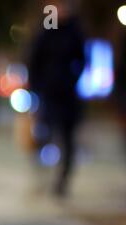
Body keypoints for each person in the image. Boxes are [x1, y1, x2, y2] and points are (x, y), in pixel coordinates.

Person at [29, 0, 85, 198]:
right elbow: (34, 61)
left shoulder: (75, 32)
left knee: (68, 139)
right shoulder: (45, 32)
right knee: (44, 136)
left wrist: (73, 79)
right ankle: (42, 177)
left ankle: (62, 180)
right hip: (48, 94)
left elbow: (83, 59)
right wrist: (37, 87)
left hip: (68, 95)